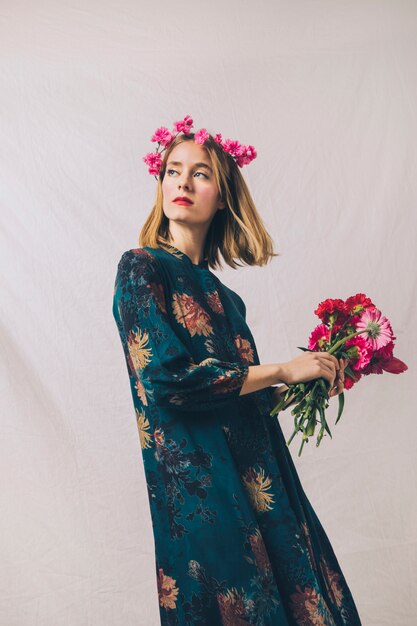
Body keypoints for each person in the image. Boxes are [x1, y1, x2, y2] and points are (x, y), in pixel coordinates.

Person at [112, 116, 362, 625]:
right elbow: (167, 382)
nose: (182, 182)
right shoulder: (142, 267)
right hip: (203, 490)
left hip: (263, 480)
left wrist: (308, 378)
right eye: (172, 171)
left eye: (200, 173)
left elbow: (235, 397)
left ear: (222, 195)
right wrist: (282, 371)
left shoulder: (229, 299)